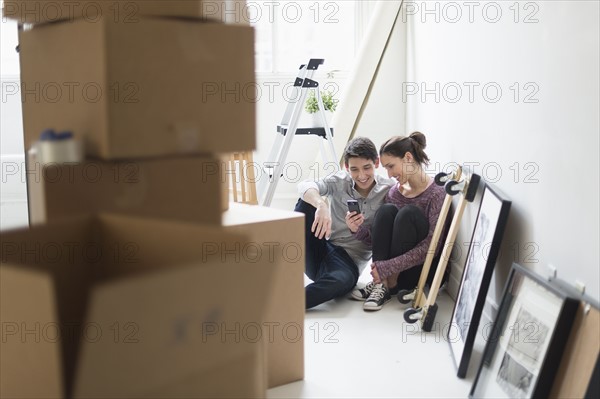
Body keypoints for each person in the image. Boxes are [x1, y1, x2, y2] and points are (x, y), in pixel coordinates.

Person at [350, 132, 450, 310]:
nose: (388, 174)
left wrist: (387, 267)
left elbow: (431, 248)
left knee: (408, 213)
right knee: (387, 210)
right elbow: (380, 240)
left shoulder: (437, 194)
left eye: (391, 166)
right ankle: (382, 286)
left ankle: (386, 283)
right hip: (388, 270)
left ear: (408, 158)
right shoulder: (394, 192)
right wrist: (357, 229)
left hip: (418, 272)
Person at [296, 137, 395, 309]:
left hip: (347, 261)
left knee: (343, 281)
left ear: (376, 163)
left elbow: (384, 239)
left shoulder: (389, 190)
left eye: (366, 168)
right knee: (307, 202)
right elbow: (304, 185)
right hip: (320, 246)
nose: (361, 176)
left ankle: (286, 302)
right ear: (347, 167)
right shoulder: (339, 181)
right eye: (354, 169)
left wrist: (358, 230)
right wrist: (321, 204)